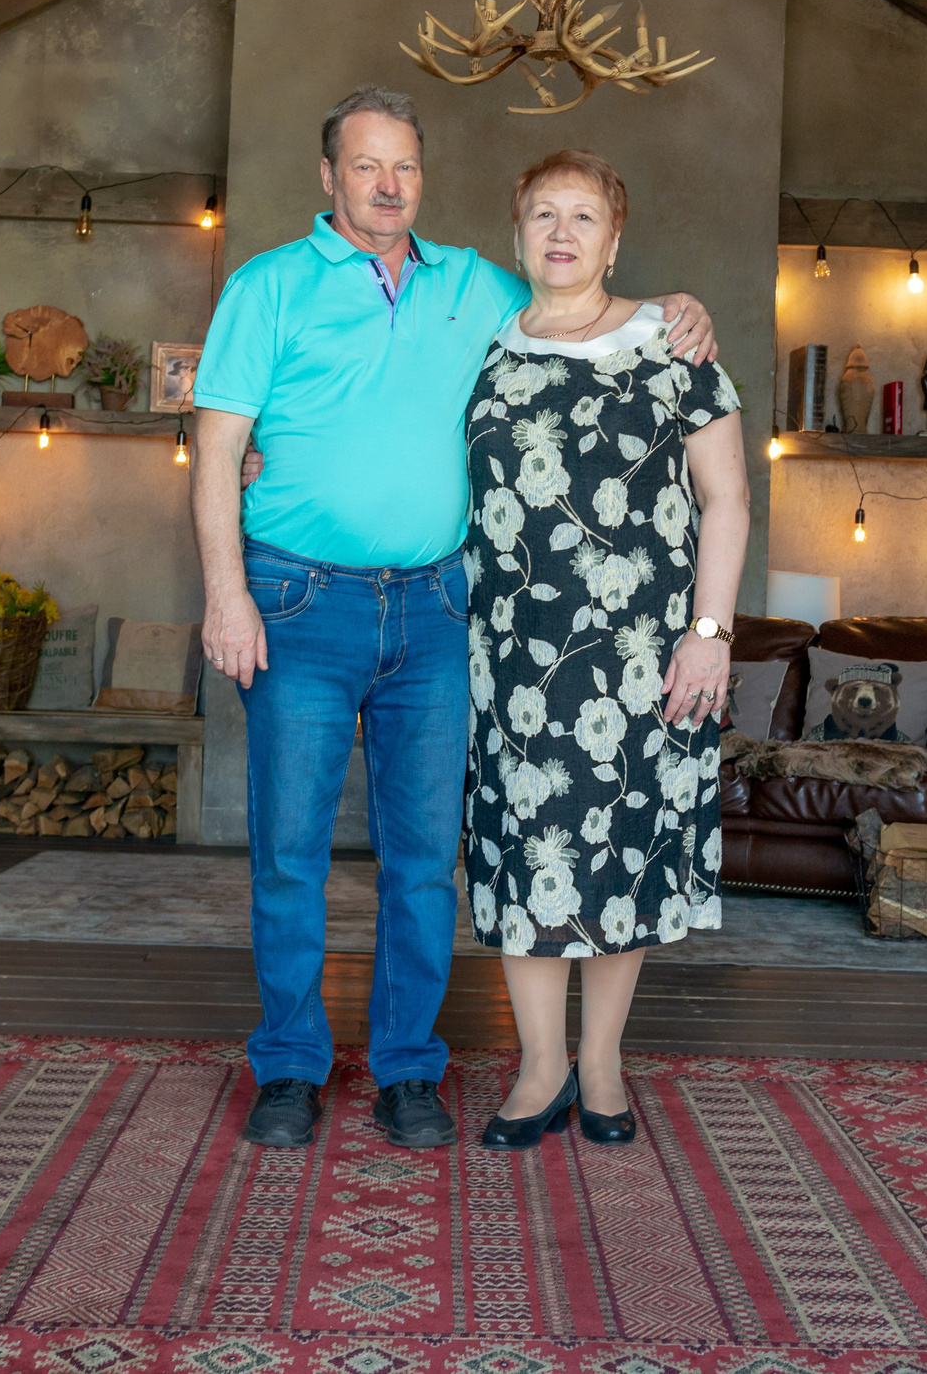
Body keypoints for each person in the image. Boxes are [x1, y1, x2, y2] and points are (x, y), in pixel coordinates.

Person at [188, 88, 717, 1152]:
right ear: (328, 177)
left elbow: (577, 310)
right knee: (290, 851)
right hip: (297, 600)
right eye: (367, 166)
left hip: (437, 609)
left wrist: (677, 310)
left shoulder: (475, 285)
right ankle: (289, 1065)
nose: (389, 186)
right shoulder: (268, 287)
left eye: (406, 168)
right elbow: (214, 455)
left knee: (425, 857)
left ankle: (406, 1068)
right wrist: (225, 592)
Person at [463, 148, 747, 1150]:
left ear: (614, 237)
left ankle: (600, 1063)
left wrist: (708, 636)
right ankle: (539, 1068)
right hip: (512, 659)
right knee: (525, 863)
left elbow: (727, 500)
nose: (561, 232)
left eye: (583, 216)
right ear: (517, 231)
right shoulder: (484, 344)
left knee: (620, 856)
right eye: (542, 212)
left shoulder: (672, 343)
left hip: (642, 659)